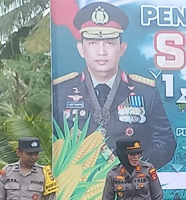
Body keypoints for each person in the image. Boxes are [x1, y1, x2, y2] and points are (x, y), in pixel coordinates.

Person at [52, 2, 176, 169]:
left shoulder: (145, 91)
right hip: (80, 190)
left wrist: (134, 168)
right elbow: (53, 142)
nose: (101, 51)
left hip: (132, 188)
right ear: (81, 49)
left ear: (122, 48)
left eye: (109, 43)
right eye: (93, 43)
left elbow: (165, 141)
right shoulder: (61, 91)